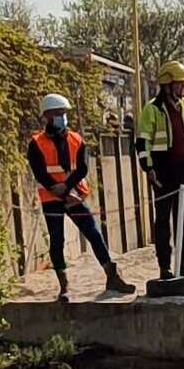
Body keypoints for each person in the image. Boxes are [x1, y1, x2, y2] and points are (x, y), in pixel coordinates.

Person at [26, 93, 130, 300]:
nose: (62, 117)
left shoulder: (76, 139)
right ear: (46, 116)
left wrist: (67, 188)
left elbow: (82, 168)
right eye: (57, 113)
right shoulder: (36, 143)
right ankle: (64, 286)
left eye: (64, 113)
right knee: (57, 240)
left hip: (73, 195)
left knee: (93, 233)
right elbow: (39, 172)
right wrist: (58, 189)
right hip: (52, 198)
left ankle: (112, 276)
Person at [135, 58, 184, 285]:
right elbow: (142, 142)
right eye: (179, 83)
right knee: (163, 219)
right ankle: (165, 266)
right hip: (163, 172)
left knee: (182, 219)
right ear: (167, 84)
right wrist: (148, 168)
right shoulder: (152, 109)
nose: (183, 86)